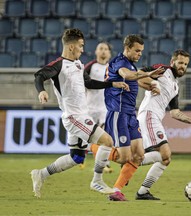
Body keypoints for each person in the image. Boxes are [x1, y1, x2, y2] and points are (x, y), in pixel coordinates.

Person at [30, 28, 129, 198]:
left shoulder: (78, 64)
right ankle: (97, 181)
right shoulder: (59, 65)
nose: (83, 50)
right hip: (73, 117)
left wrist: (112, 84)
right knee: (107, 141)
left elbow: (89, 83)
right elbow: (39, 76)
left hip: (83, 115)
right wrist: (41, 91)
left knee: (76, 158)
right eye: (81, 46)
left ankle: (41, 174)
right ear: (70, 47)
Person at [90, 34, 164, 201]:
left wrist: (150, 86)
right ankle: (93, 148)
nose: (140, 54)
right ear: (128, 48)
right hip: (118, 114)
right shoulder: (119, 62)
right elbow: (128, 75)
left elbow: (134, 80)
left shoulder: (130, 63)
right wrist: (150, 74)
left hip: (131, 115)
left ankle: (116, 190)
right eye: (137, 51)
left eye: (141, 51)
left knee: (139, 155)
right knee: (124, 157)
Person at [134, 49, 191, 200]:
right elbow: (138, 74)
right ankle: (130, 160)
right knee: (165, 153)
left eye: (186, 64)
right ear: (172, 62)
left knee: (165, 159)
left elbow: (174, 112)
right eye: (180, 62)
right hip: (149, 114)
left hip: (155, 118)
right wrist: (151, 83)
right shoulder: (163, 70)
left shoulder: (175, 86)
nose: (183, 66)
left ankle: (143, 192)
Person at [83, 42, 113, 173]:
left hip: (104, 108)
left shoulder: (112, 68)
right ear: (96, 51)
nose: (103, 51)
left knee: (104, 135)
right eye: (101, 48)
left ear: (109, 53)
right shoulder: (91, 66)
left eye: (106, 49)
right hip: (89, 107)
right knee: (86, 136)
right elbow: (82, 82)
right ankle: (80, 157)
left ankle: (104, 163)